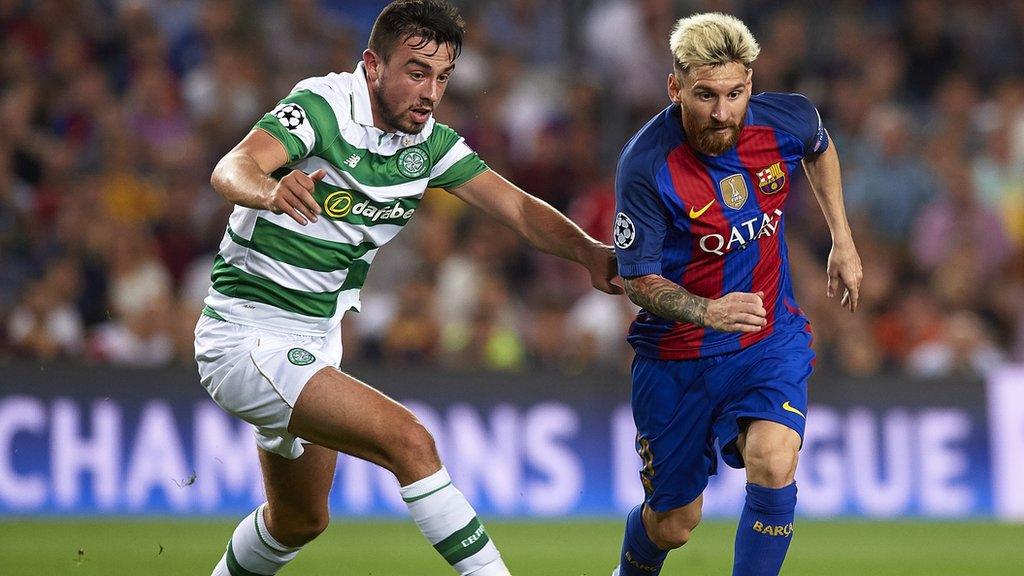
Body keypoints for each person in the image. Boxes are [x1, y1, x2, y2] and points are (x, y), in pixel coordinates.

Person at [193, 2, 620, 575]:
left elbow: (516, 208)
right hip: (246, 336)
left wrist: (589, 252)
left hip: (315, 343)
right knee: (410, 441)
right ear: (373, 65)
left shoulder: (430, 145)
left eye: (442, 78)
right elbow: (233, 166)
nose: (430, 92)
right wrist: (269, 190)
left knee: (299, 520)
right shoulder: (321, 108)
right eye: (416, 72)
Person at [611, 12, 862, 576]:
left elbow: (819, 148)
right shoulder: (647, 166)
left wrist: (841, 240)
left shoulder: (786, 119)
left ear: (751, 82)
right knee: (673, 524)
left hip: (766, 338)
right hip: (676, 358)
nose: (721, 112)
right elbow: (636, 278)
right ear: (675, 86)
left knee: (773, 461)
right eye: (704, 95)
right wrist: (707, 310)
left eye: (735, 93)